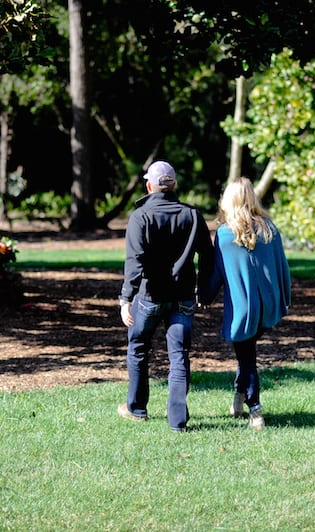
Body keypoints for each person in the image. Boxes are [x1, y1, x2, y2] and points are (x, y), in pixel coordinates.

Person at [117, 160, 214, 432]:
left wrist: (126, 299)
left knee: (138, 348)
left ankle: (137, 409)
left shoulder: (140, 217)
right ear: (175, 184)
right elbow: (208, 257)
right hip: (183, 297)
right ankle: (178, 422)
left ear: (149, 186)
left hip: (149, 297)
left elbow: (134, 263)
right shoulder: (193, 215)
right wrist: (204, 292)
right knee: (179, 356)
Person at [202, 177, 291, 430]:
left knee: (247, 358)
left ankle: (256, 411)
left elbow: (218, 273)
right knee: (245, 354)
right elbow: (282, 267)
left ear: (228, 200)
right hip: (268, 306)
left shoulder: (224, 234)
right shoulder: (270, 230)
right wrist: (284, 300)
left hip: (243, 309)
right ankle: (238, 399)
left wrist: (204, 297)